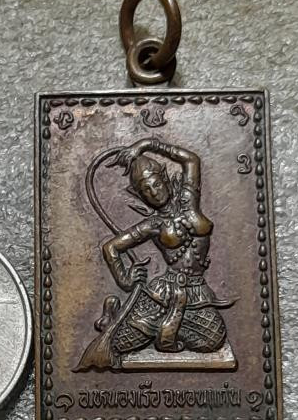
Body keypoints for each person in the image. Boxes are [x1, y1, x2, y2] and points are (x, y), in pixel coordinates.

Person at [75, 137, 235, 372]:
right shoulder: (152, 224)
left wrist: (147, 144)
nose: (154, 192)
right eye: (146, 191)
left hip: (197, 291)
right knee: (120, 344)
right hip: (165, 291)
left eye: (156, 184)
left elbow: (191, 160)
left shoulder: (188, 201)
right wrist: (125, 280)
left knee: (213, 339)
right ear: (141, 196)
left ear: (165, 180)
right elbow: (110, 247)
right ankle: (117, 312)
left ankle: (164, 328)